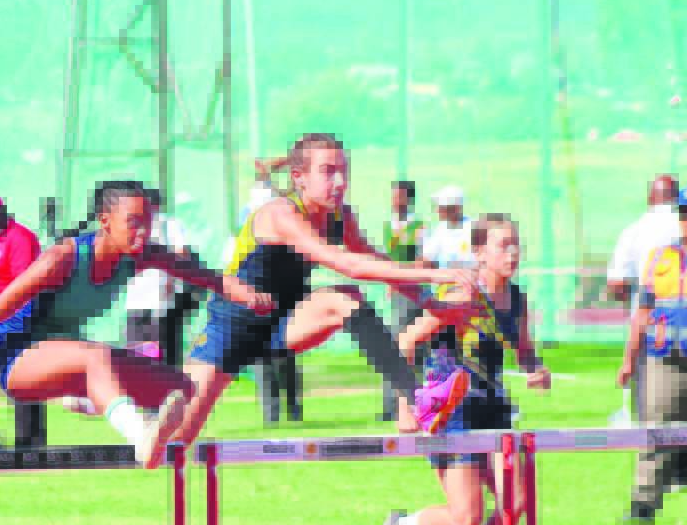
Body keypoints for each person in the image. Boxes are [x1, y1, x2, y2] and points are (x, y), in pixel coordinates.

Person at [0, 180, 275, 469]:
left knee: (181, 388)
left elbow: (203, 275)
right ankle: (137, 433)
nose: (143, 232)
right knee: (95, 357)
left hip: (67, 358)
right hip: (15, 359)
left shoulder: (138, 256)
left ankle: (102, 405)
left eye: (147, 223)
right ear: (105, 221)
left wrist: (246, 293)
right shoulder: (62, 259)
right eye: (133, 223)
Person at [169, 133, 480, 453]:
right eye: (329, 171)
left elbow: (372, 260)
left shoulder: (340, 216)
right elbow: (347, 263)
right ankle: (142, 417)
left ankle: (417, 401)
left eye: (344, 171)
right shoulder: (280, 214)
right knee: (174, 439)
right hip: (230, 332)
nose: (340, 182)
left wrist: (429, 300)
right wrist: (435, 273)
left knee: (343, 298)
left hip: (283, 323)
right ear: (299, 177)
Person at [369, 213, 550, 525]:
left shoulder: (517, 299)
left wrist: (536, 369)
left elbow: (523, 350)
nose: (513, 253)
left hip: (495, 409)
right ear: (479, 252)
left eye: (516, 244)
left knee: (514, 503)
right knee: (465, 517)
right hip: (453, 411)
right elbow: (404, 341)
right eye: (503, 245)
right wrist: (404, 406)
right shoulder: (462, 295)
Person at [618, 188, 687, 524]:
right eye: (684, 213)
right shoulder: (661, 258)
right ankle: (643, 504)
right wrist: (629, 359)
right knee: (655, 429)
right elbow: (643, 312)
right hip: (663, 356)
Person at [0, 191, 47, 446]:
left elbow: (22, 285)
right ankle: (27, 441)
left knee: (23, 377)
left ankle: (30, 441)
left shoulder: (19, 238)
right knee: (14, 378)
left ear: (1, 213)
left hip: (19, 317)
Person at [608, 174, 680, 426]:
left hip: (651, 335)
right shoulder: (680, 227)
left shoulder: (634, 231)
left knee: (652, 421)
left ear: (650, 198)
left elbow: (616, 283)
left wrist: (628, 296)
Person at [244, 157, 304, 424]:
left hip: (282, 283)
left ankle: (291, 407)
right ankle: (272, 414)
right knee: (261, 350)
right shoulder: (256, 203)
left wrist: (290, 161)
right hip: (255, 284)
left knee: (283, 349)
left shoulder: (286, 204)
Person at [123, 189, 192, 365]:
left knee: (163, 354)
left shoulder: (168, 224)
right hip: (136, 300)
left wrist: (171, 280)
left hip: (161, 300)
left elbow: (181, 254)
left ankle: (166, 382)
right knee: (138, 355)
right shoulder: (134, 227)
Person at [381, 180, 426, 421]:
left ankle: (408, 404)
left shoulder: (418, 228)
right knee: (397, 347)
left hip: (413, 292)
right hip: (397, 292)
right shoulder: (389, 225)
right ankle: (393, 406)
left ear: (409, 199)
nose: (394, 201)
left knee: (407, 348)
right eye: (392, 196)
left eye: (399, 196)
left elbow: (423, 261)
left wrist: (400, 275)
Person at [419, 185, 475, 271]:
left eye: (442, 207)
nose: (437, 210)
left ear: (456, 208)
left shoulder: (473, 228)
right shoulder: (441, 228)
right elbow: (426, 259)